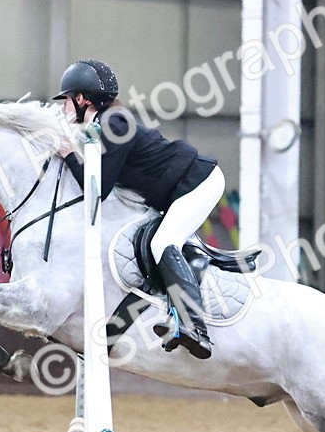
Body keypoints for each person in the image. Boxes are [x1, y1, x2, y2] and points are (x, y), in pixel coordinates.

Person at [55, 59, 223, 360]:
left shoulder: (113, 123)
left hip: (197, 182)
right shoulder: (101, 124)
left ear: (82, 99)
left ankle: (194, 327)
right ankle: (117, 330)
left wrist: (68, 154)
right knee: (144, 250)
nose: (65, 108)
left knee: (162, 243)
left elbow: (98, 189)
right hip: (176, 190)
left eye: (67, 100)